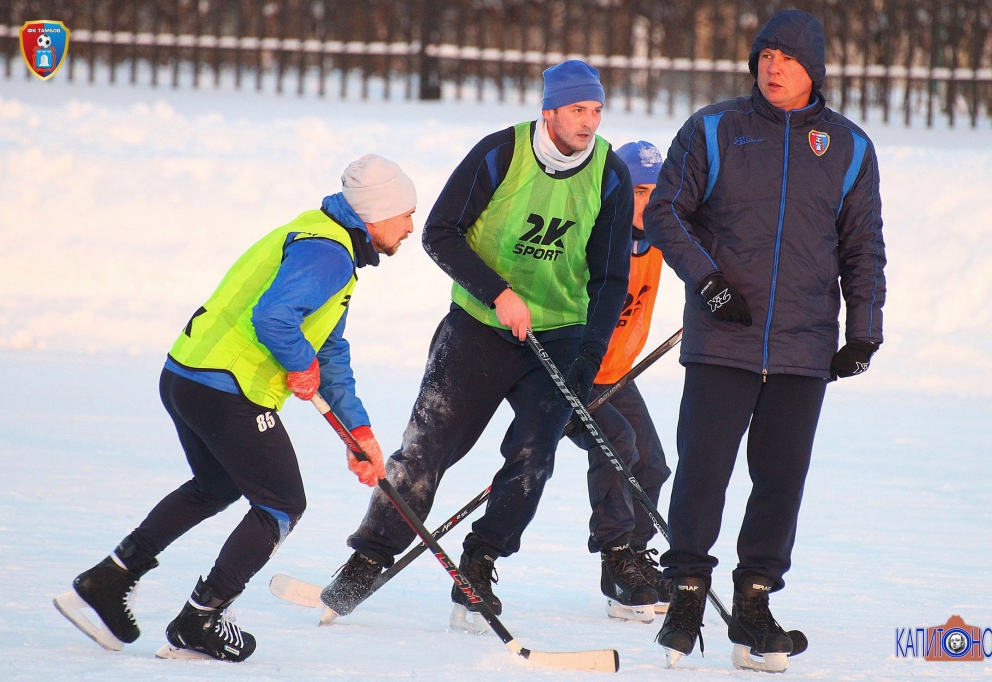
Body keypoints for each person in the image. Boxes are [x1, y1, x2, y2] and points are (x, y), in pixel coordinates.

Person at [53, 155, 417, 662]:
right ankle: (201, 619)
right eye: (406, 215)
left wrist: (359, 433)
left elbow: (329, 350)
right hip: (229, 388)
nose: (409, 229)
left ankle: (109, 579)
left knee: (216, 485)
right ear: (377, 213)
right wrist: (297, 361)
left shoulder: (317, 236)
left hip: (186, 374)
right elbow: (274, 318)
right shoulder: (329, 253)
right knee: (281, 504)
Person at [322, 60, 632, 630]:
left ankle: (480, 561)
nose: (588, 123)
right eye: (577, 111)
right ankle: (369, 556)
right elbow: (439, 232)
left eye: (596, 111)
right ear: (549, 112)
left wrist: (589, 353)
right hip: (478, 328)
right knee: (427, 448)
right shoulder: (500, 153)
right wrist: (498, 292)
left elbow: (612, 278)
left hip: (558, 335)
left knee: (533, 457)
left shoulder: (609, 174)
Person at [644, 10, 886, 669]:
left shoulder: (850, 148)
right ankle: (687, 590)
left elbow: (863, 248)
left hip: (805, 347)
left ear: (815, 69)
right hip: (725, 337)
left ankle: (754, 603)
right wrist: (709, 282)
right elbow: (665, 211)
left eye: (787, 57)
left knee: (781, 481)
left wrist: (863, 330)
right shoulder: (715, 129)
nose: (773, 66)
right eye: (765, 54)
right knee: (703, 472)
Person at [567, 141, 673, 623]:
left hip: (617, 372)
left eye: (659, 192)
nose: (650, 205)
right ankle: (615, 562)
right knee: (618, 445)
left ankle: (635, 558)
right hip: (576, 371)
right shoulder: (595, 238)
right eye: (641, 192)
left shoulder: (661, 235)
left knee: (653, 465)